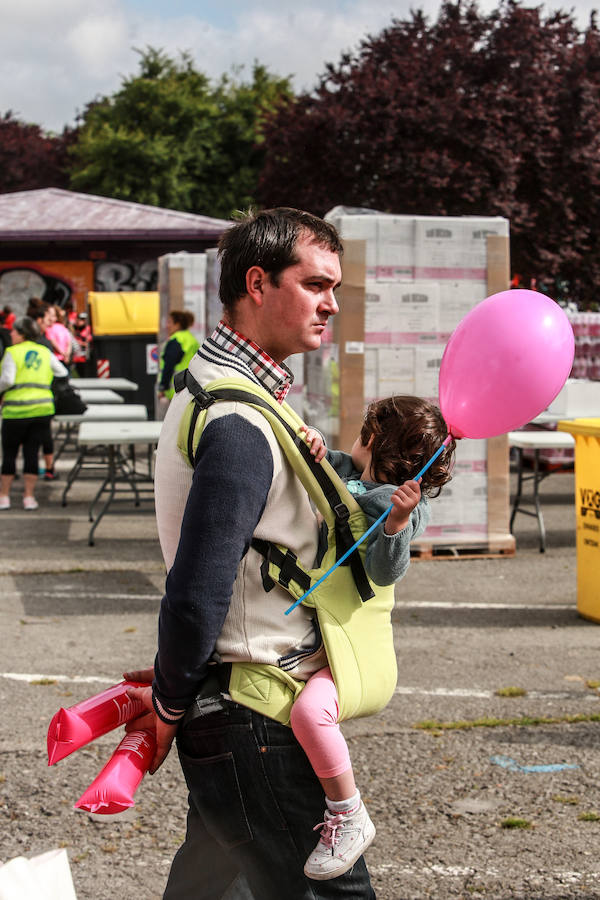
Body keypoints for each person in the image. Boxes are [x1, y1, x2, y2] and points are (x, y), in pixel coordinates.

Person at [123, 207, 423, 899]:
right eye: (315, 284)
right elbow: (199, 588)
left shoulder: (221, 387)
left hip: (234, 707)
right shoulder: (238, 419)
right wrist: (168, 698)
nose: (330, 304)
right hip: (256, 714)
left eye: (334, 288)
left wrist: (178, 682)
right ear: (257, 284)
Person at [291, 397, 454, 879]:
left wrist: (398, 526)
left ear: (374, 440)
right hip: (321, 638)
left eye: (363, 432)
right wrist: (316, 448)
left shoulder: (393, 504)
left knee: (309, 713)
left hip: (352, 653)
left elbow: (385, 571)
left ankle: (348, 812)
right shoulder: (354, 474)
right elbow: (333, 469)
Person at [0, 317, 68, 510]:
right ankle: (29, 497)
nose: (11, 334)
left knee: (10, 453)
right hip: (42, 410)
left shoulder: (12, 352)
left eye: (14, 331)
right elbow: (62, 372)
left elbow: (7, 379)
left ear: (22, 334)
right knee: (32, 453)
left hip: (16, 411)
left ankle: (4, 496)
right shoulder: (45, 352)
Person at [157, 310, 200, 402]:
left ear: (178, 324)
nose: (167, 326)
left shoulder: (176, 340)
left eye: (169, 322)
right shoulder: (192, 339)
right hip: (191, 387)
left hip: (176, 389)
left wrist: (163, 387)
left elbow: (169, 365)